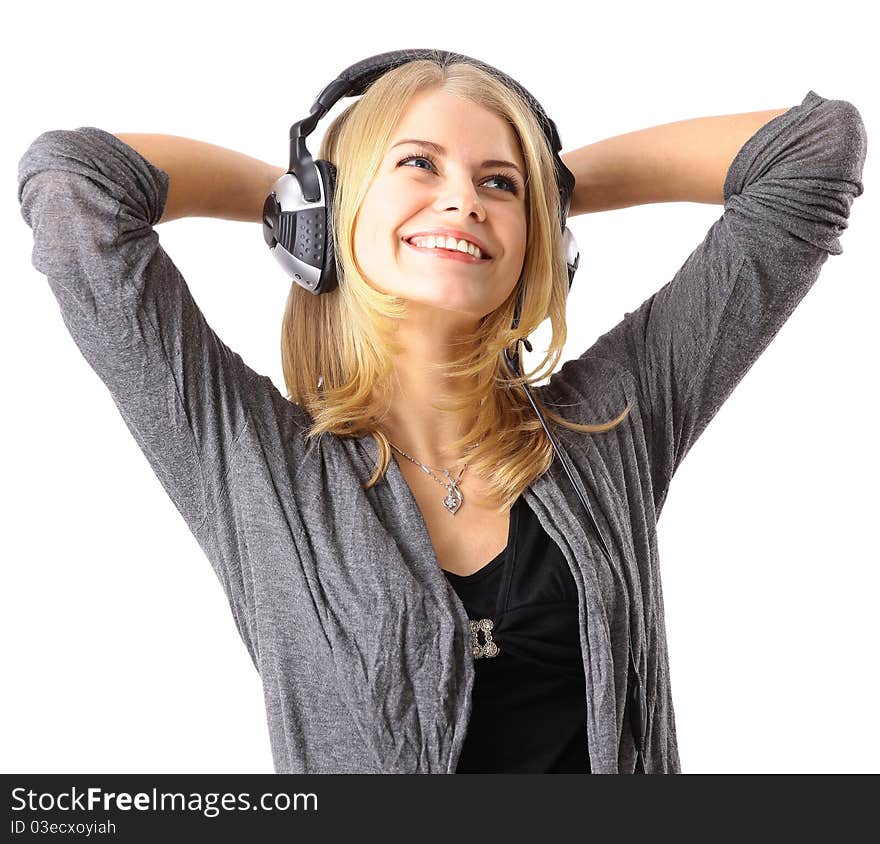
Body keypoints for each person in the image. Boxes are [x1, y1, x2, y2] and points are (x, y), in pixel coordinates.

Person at [17, 55, 867, 774]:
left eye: (498, 182)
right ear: (334, 212)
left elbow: (811, 154)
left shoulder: (610, 428)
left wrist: (550, 183)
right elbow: (75, 185)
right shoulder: (250, 462)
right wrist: (304, 202)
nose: (464, 200)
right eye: (417, 165)